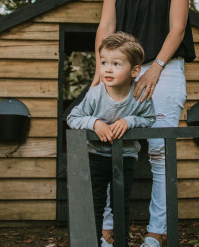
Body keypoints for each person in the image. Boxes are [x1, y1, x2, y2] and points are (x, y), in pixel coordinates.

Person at [93, 0, 196, 247]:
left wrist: (156, 67)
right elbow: (106, 26)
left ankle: (157, 232)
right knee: (114, 149)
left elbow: (177, 28)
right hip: (121, 72)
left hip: (164, 69)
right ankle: (109, 230)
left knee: (159, 152)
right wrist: (100, 70)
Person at [67, 32, 156, 246]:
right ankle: (96, 243)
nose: (107, 69)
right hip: (96, 156)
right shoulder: (95, 94)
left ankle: (121, 243)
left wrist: (130, 121)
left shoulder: (139, 96)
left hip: (125, 157)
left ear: (135, 71)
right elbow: (73, 118)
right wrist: (94, 123)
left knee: (120, 203)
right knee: (96, 202)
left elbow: (150, 119)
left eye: (116, 64)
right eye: (104, 62)